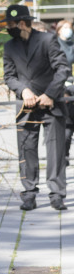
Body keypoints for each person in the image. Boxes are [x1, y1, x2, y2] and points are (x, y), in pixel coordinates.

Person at [2, 4, 70, 211]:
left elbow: (62, 69)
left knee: (56, 151)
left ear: (22, 23)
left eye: (11, 24)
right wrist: (23, 91)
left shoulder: (47, 40)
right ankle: (29, 193)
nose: (8, 28)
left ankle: (57, 194)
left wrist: (50, 94)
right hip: (26, 107)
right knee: (27, 150)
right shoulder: (9, 47)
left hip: (52, 105)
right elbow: (9, 76)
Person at [56, 20, 74, 166]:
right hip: (64, 88)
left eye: (70, 28)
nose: (69, 30)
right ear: (59, 30)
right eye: (66, 28)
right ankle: (64, 156)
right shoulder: (55, 45)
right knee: (67, 128)